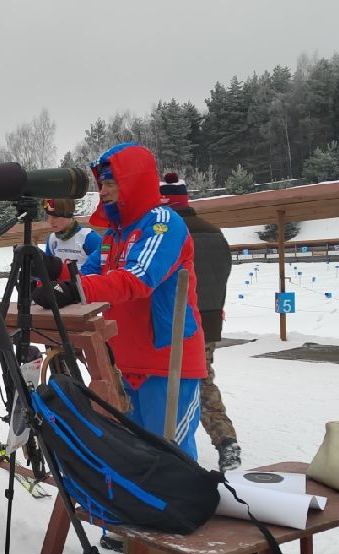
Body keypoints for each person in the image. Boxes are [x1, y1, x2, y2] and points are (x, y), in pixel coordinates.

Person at [35, 143, 206, 459]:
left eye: (111, 183)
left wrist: (74, 290)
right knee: (140, 457)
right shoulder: (114, 235)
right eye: (101, 185)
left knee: (172, 459)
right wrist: (53, 270)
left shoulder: (161, 223)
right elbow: (88, 273)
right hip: (129, 363)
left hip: (168, 364)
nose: (104, 192)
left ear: (134, 180)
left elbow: (138, 278)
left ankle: (181, 509)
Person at [161, 173, 241, 470]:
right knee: (203, 380)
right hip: (207, 322)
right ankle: (226, 441)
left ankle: (167, 443)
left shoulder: (165, 234)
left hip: (173, 322)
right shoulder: (215, 232)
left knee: (163, 383)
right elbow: (224, 274)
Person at [44, 198, 102, 267]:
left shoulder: (89, 237)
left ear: (68, 216)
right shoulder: (52, 239)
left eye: (55, 217)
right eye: (48, 216)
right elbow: (47, 270)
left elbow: (100, 268)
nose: (50, 221)